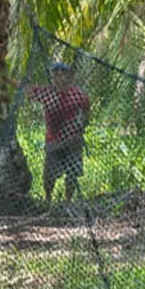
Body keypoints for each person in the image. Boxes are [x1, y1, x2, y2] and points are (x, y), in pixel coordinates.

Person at [29, 61, 92, 203]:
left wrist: (82, 124)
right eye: (56, 75)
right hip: (53, 140)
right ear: (52, 77)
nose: (59, 78)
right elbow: (28, 91)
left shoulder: (78, 94)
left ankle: (68, 201)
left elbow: (87, 109)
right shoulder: (47, 93)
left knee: (72, 173)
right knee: (49, 174)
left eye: (63, 74)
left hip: (73, 140)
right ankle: (48, 199)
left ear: (69, 77)